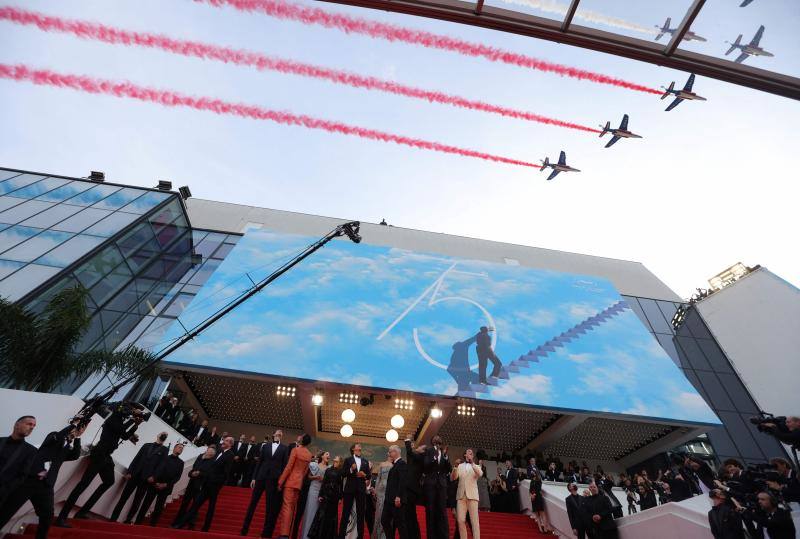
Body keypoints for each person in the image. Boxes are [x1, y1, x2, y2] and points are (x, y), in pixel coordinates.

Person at [56, 405, 143, 526]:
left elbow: (124, 435)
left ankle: (82, 512)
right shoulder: (113, 419)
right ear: (123, 409)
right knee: (83, 484)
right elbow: (120, 429)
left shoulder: (120, 421)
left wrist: (136, 425)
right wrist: (133, 420)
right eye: (131, 410)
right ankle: (61, 517)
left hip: (106, 456)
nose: (132, 412)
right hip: (99, 453)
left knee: (109, 481)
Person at [0, 417, 75, 539]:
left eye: (34, 425)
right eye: (29, 424)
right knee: (7, 511)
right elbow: (58, 437)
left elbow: (75, 455)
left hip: (45, 485)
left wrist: (75, 438)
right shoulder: (54, 436)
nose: (32, 427)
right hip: (28, 481)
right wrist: (72, 425)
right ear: (17, 424)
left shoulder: (64, 447)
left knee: (47, 515)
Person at [173, 435, 234, 532]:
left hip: (214, 487)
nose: (223, 442)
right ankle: (180, 524)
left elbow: (225, 474)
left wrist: (217, 485)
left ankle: (205, 528)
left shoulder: (230, 455)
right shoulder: (219, 452)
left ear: (230, 444)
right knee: (195, 505)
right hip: (206, 484)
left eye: (226, 441)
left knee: (211, 508)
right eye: (223, 440)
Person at [110, 431, 169, 523]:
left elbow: (161, 466)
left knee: (137, 501)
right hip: (134, 475)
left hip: (146, 480)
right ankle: (113, 518)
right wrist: (129, 472)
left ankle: (128, 520)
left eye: (165, 435)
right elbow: (136, 458)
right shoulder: (146, 445)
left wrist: (154, 477)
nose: (163, 435)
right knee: (123, 497)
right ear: (158, 435)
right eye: (162, 433)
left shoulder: (165, 450)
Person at [241, 429, 289, 537]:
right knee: (253, 503)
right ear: (273, 435)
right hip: (260, 478)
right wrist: (253, 477)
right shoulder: (265, 446)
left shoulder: (284, 448)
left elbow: (285, 466)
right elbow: (259, 462)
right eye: (277, 432)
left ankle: (265, 533)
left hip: (273, 480)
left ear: (281, 436)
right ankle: (244, 529)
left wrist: (281, 482)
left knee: (269, 507)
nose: (279, 434)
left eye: (280, 433)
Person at [135, 442, 185, 526]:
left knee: (159, 508)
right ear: (174, 448)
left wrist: (165, 484)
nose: (181, 449)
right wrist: (155, 481)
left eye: (182, 448)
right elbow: (155, 469)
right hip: (154, 484)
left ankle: (152, 526)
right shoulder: (164, 458)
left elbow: (177, 477)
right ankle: (137, 522)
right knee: (145, 504)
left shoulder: (181, 463)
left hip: (166, 488)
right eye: (179, 447)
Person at [276, 433, 312, 539]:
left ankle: (284, 534)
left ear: (301, 440)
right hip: (299, 484)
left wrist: (280, 482)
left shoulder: (295, 450)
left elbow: (288, 467)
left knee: (287, 508)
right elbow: (305, 472)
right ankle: (287, 533)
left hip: (290, 482)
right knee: (292, 508)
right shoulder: (309, 454)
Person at [171, 446, 216, 527]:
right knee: (185, 503)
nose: (207, 452)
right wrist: (191, 473)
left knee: (195, 505)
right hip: (191, 484)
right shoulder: (200, 457)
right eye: (208, 450)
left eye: (210, 452)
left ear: (212, 455)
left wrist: (200, 473)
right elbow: (193, 468)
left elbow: (209, 474)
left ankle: (191, 523)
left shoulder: (213, 462)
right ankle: (178, 520)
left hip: (200, 486)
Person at [339, 443, 371, 539]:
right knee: (345, 513)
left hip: (361, 490)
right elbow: (343, 474)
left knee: (361, 514)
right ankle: (341, 536)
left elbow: (369, 476)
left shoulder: (365, 461)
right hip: (349, 490)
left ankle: (360, 536)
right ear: (353, 449)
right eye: (358, 445)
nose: (360, 446)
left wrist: (364, 475)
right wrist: (351, 469)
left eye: (360, 446)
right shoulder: (348, 460)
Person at [422, 436, 451, 539]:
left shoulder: (444, 452)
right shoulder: (429, 451)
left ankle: (443, 536)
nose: (438, 438)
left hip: (442, 485)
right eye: (435, 437)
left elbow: (448, 469)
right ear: (432, 441)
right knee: (430, 510)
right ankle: (431, 536)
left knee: (442, 511)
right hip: (430, 484)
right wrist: (435, 458)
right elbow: (425, 465)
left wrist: (446, 457)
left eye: (439, 437)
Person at [308, 455, 343, 539]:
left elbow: (341, 486)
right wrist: (320, 495)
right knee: (322, 515)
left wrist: (340, 497)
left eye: (337, 460)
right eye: (335, 459)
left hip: (334, 497)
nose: (335, 460)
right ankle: (319, 535)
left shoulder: (341, 472)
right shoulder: (328, 470)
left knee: (331, 517)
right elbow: (324, 483)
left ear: (340, 462)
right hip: (325, 495)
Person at [451, 448, 482, 539]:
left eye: (471, 453)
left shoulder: (476, 466)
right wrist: (455, 466)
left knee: (474, 522)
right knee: (460, 520)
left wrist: (472, 463)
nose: (470, 454)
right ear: (465, 455)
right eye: (468, 453)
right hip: (461, 496)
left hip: (472, 496)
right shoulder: (460, 466)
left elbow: (480, 474)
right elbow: (453, 478)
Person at [377, 444, 407, 539]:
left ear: (395, 452)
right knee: (384, 520)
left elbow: (403, 481)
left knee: (400, 524)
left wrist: (398, 496)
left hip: (396, 500)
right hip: (389, 500)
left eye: (390, 452)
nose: (389, 454)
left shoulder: (402, 464)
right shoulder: (395, 465)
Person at [300, 450, 329, 539]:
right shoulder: (314, 465)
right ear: (322, 456)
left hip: (322, 493)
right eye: (327, 454)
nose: (329, 456)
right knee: (310, 512)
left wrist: (324, 480)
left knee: (319, 514)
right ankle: (305, 536)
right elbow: (308, 476)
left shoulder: (329, 468)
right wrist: (315, 477)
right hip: (313, 490)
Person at [403, 437, 425, 539]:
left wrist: (407, 441)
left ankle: (415, 536)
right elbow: (409, 454)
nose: (418, 447)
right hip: (408, 489)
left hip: (412, 490)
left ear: (422, 451)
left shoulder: (420, 458)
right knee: (409, 514)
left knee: (411, 515)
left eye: (420, 447)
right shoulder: (414, 458)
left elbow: (410, 452)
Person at [372, 453, 393, 539]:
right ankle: (376, 535)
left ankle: (384, 536)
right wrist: (376, 490)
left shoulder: (394, 465)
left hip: (389, 490)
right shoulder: (382, 464)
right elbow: (378, 478)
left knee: (387, 513)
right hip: (380, 490)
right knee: (378, 513)